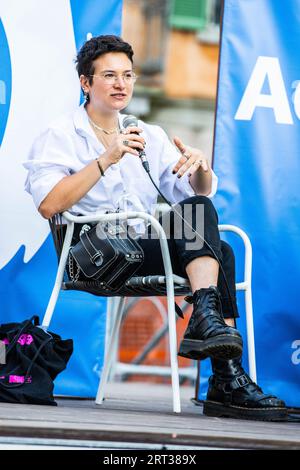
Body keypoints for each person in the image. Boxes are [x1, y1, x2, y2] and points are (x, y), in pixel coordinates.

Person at [24, 35, 287, 421]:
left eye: (128, 75)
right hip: (91, 254)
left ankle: (217, 353)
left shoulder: (148, 133)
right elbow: (49, 204)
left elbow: (190, 196)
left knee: (211, 231)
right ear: (85, 83)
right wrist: (106, 159)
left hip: (142, 247)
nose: (121, 84)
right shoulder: (60, 134)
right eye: (110, 75)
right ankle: (224, 373)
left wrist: (200, 168)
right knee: (211, 246)